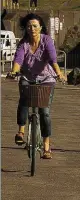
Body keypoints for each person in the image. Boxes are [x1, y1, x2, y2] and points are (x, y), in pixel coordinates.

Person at [7, 13, 66, 159]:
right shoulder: (24, 44)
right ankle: (21, 131)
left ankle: (46, 145)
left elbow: (53, 58)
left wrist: (59, 74)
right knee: (24, 101)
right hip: (28, 77)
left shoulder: (47, 41)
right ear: (25, 28)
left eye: (34, 26)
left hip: (46, 78)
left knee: (44, 112)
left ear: (40, 27)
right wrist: (14, 72)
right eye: (28, 26)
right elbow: (18, 60)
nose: (31, 29)